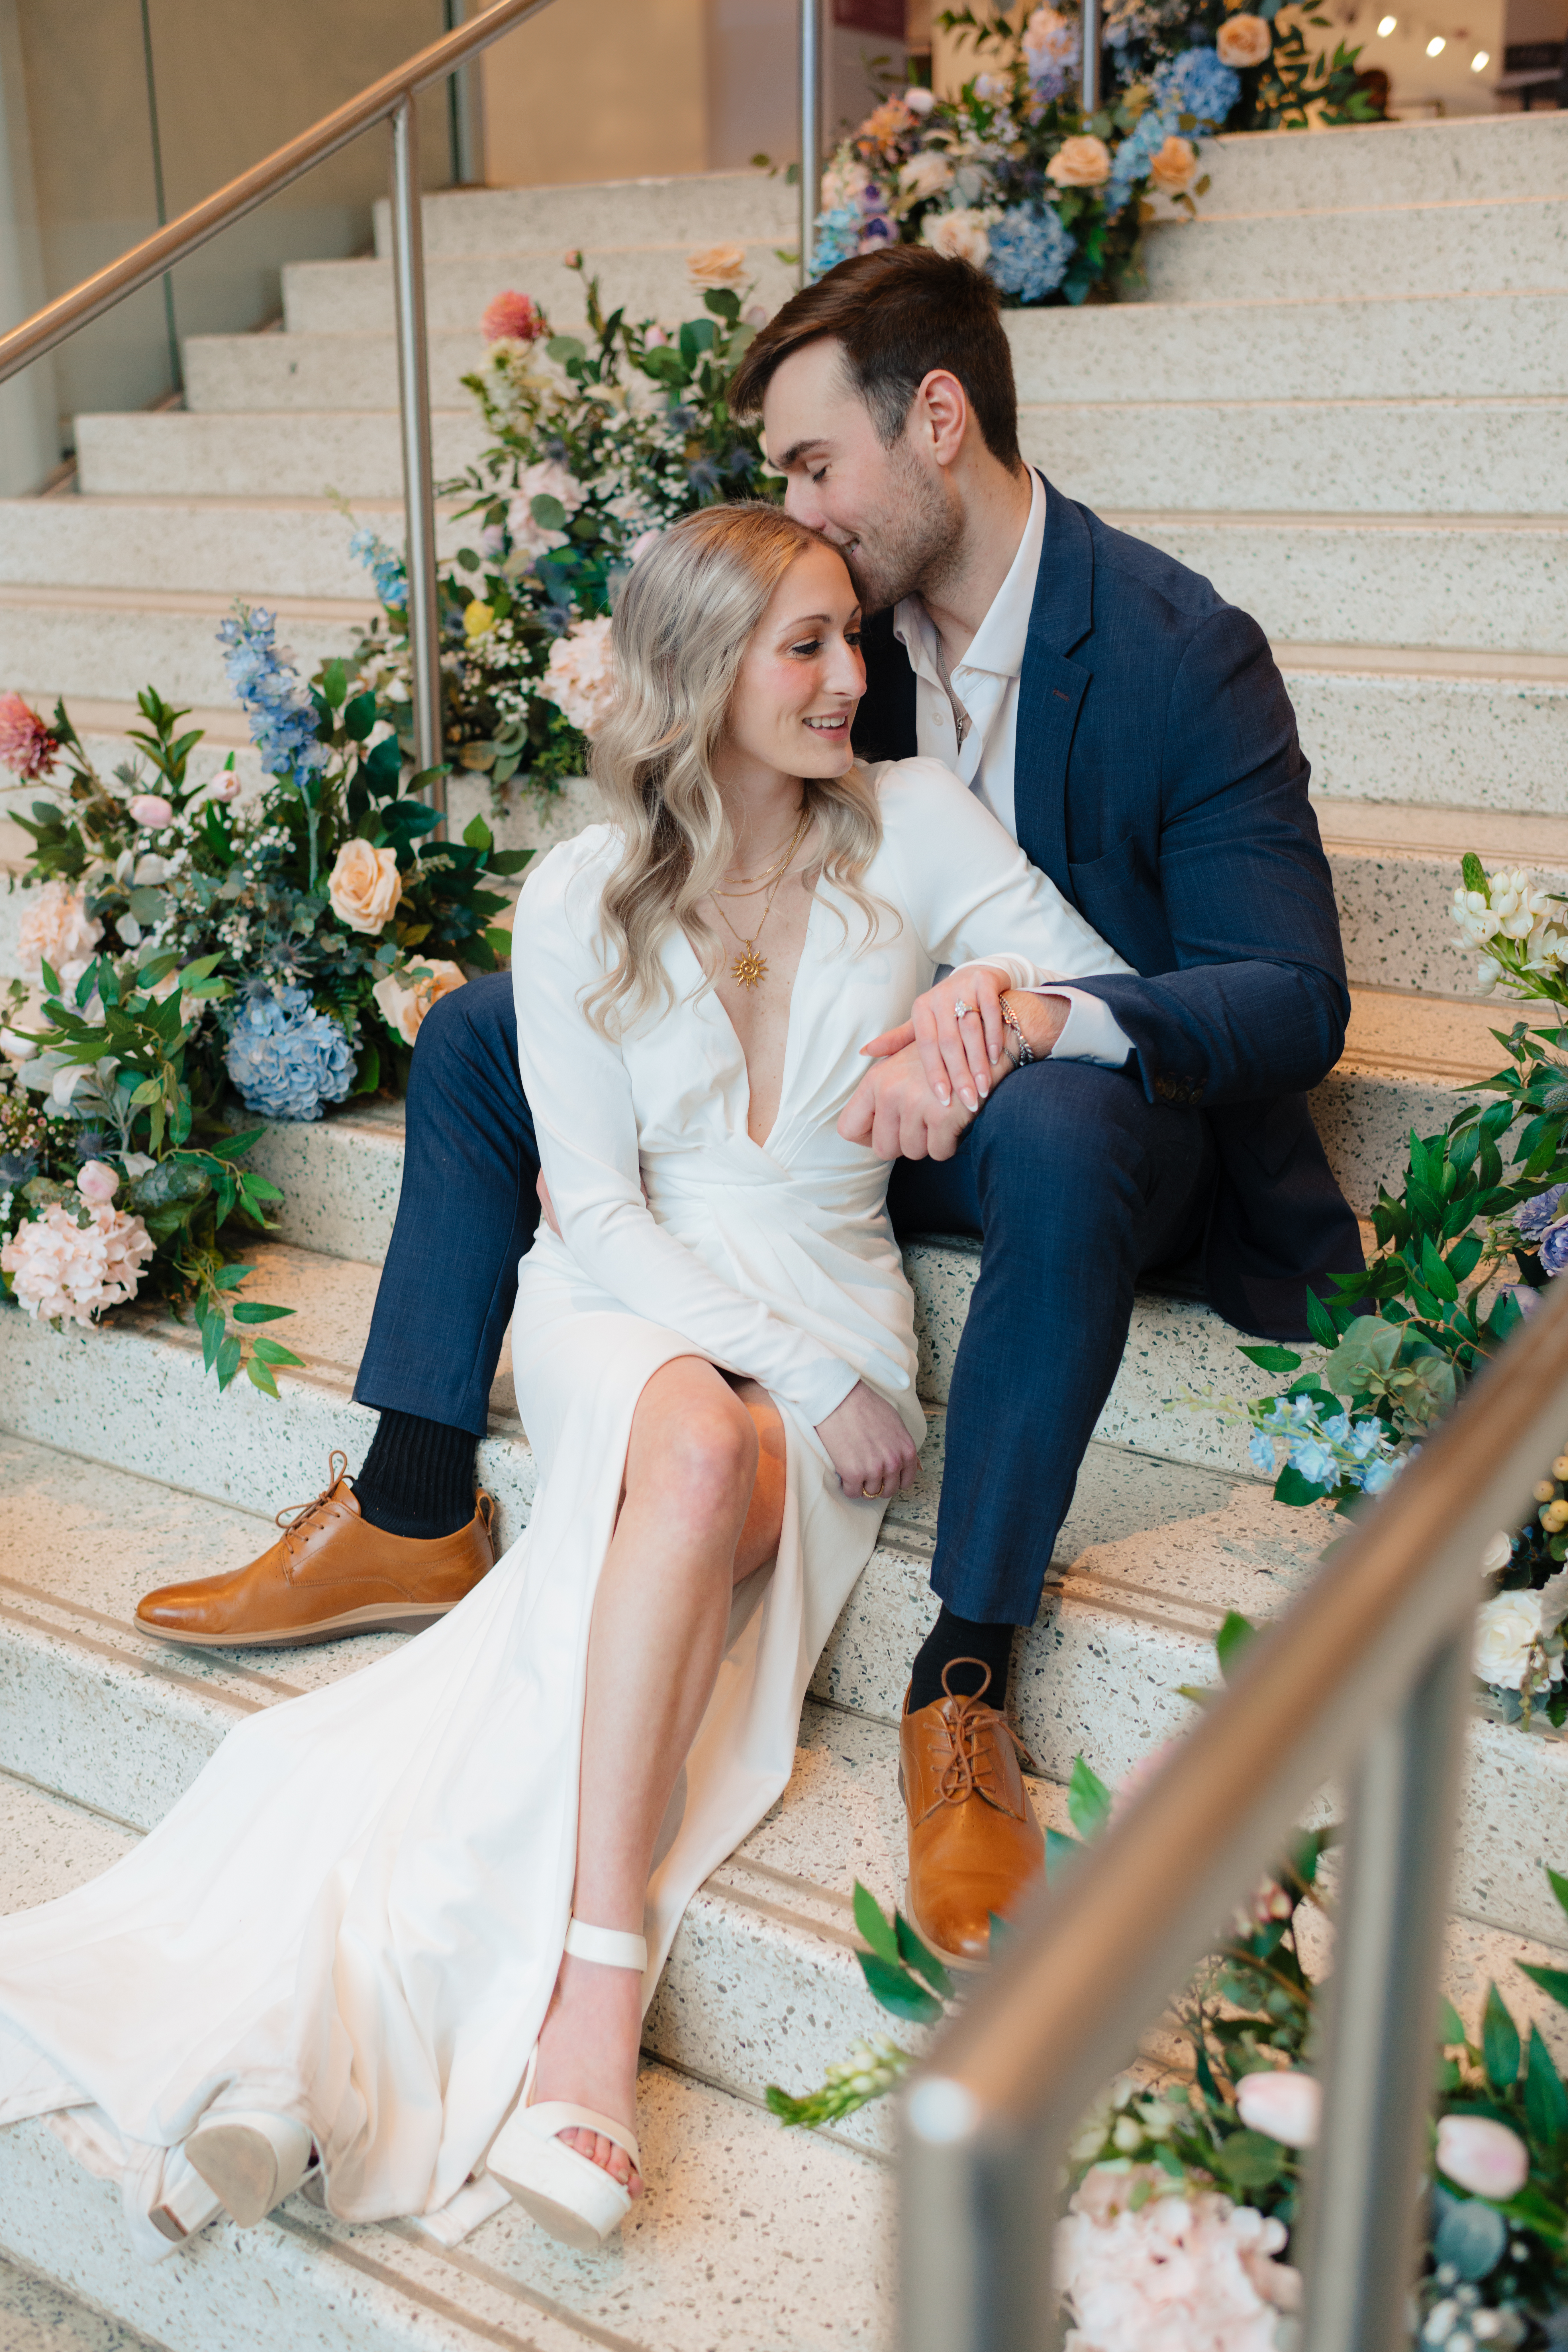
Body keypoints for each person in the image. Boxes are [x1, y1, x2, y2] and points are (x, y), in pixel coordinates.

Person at [134, 245, 1361, 1969]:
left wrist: (1021, 1017)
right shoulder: (844, 641)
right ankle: (417, 1495)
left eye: (812, 466)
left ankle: (964, 1677)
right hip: (834, 1118)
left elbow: (1294, 1001)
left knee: (1069, 1126)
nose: (800, 511)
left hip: (1085, 1123)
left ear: (937, 420)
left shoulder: (1174, 652)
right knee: (491, 1029)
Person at [0, 505, 1132, 2256]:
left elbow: (1127, 996)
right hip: (630, 1295)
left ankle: (306, 2059)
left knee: (578, 1625)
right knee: (680, 1449)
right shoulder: (577, 891)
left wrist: (995, 992)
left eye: (856, 638)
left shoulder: (915, 826)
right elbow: (592, 1205)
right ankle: (591, 2013)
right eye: (809, 645)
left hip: (824, 1282)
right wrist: (807, 1383)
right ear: (698, 675)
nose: (854, 677)